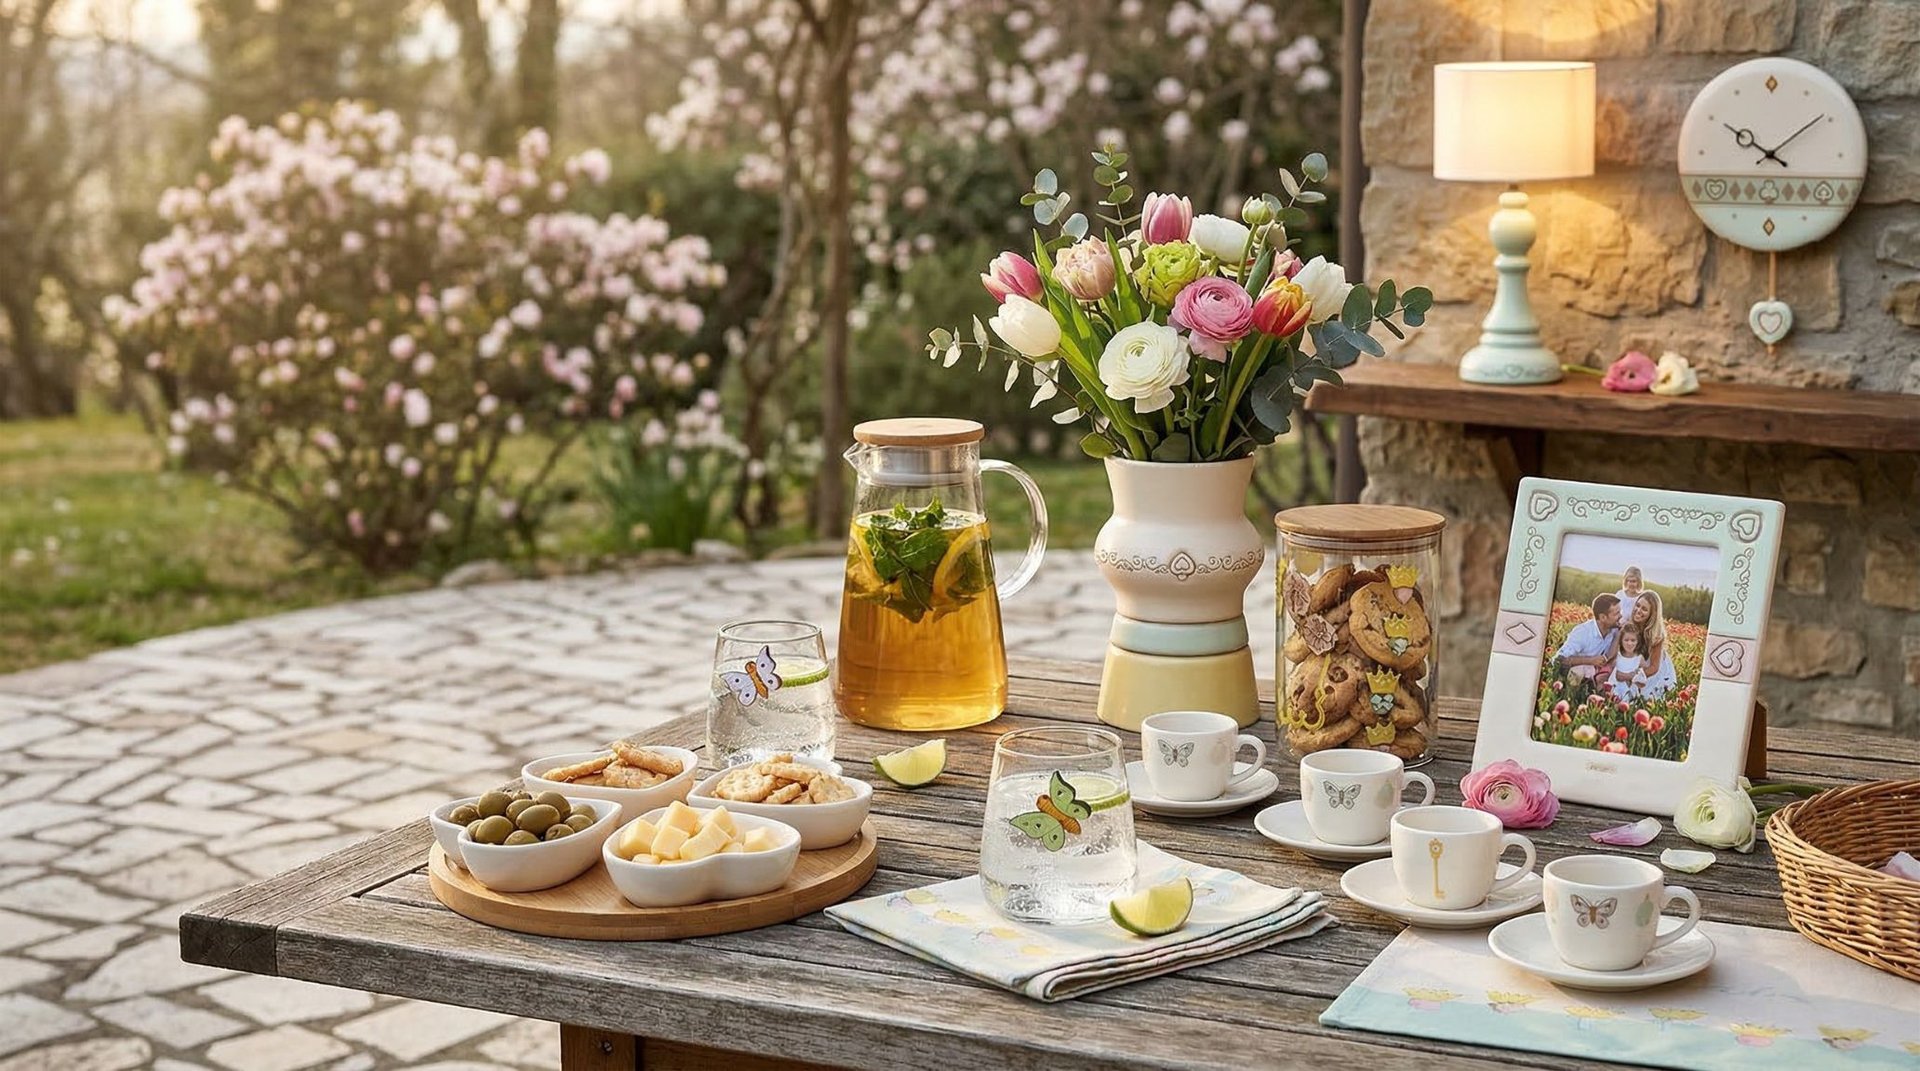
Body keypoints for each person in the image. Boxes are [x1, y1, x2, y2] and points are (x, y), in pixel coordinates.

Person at [1553, 593, 1622, 697]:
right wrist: (1590, 660)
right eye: (1617, 613)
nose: (1620, 616)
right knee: (1578, 672)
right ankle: (1570, 699)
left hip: (1597, 672)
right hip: (1577, 673)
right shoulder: (1582, 633)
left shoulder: (1614, 630)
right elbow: (1559, 660)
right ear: (1603, 617)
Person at [1630, 589, 1678, 700]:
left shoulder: (1656, 635)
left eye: (1644, 609)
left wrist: (1634, 676)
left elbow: (1654, 668)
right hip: (1637, 664)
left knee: (1644, 696)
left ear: (1652, 614)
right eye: (1637, 605)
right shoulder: (1630, 626)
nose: (1638, 610)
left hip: (1653, 671)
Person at [1610, 624, 1649, 700]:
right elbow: (1615, 675)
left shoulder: (1639, 658)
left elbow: (1643, 678)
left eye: (1633, 640)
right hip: (1616, 690)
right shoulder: (1617, 656)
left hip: (1631, 691)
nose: (1629, 643)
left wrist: (1636, 676)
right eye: (1626, 640)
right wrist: (1629, 676)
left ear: (1637, 641)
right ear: (1621, 641)